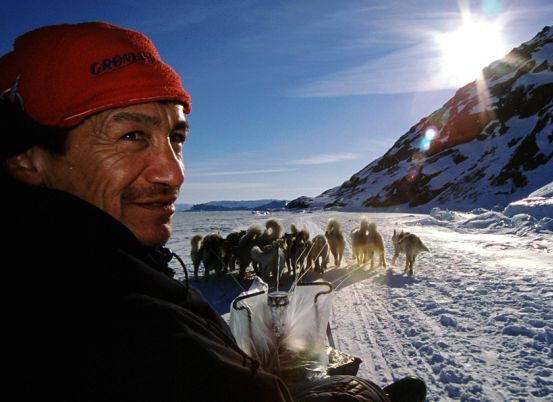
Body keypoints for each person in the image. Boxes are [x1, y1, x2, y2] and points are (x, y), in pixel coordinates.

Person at [1, 22, 424, 401]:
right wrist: (359, 394)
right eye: (131, 135)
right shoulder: (124, 330)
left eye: (177, 138)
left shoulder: (87, 269)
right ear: (26, 158)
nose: (174, 172)